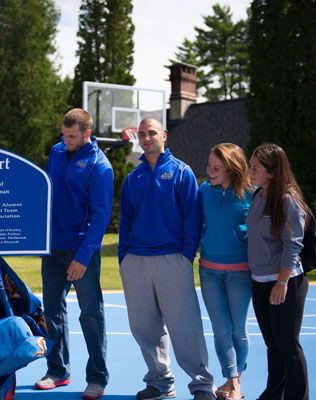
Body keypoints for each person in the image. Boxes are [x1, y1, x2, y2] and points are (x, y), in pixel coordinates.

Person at [118, 117, 216, 400]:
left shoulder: (181, 172)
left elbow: (192, 217)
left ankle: (201, 385)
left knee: (184, 327)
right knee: (143, 327)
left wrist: (186, 256)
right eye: (142, 134)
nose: (146, 138)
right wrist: (124, 257)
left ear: (164, 136)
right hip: (135, 260)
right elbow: (126, 219)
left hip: (173, 259)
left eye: (152, 133)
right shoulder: (133, 177)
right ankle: (160, 383)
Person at [35, 108, 113, 400]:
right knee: (52, 311)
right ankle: (57, 370)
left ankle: (97, 377)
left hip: (82, 252)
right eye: (63, 135)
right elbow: (44, 190)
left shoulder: (100, 166)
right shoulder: (57, 151)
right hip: (52, 248)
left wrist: (82, 257)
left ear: (86, 134)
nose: (65, 141)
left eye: (71, 137)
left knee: (91, 314)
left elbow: (101, 216)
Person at [247, 143, 310, 400]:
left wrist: (281, 283)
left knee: (288, 347)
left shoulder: (287, 200)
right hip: (259, 281)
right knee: (273, 345)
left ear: (272, 172)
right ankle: (274, 394)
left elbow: (293, 243)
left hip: (285, 283)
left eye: (255, 168)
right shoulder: (257, 195)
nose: (249, 172)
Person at [199, 143, 253, 400]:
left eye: (216, 167)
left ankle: (233, 384)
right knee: (220, 330)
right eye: (209, 165)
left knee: (237, 331)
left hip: (240, 272)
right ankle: (234, 385)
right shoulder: (203, 191)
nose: (209, 170)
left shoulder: (252, 194)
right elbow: (197, 224)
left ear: (231, 169)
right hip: (209, 271)